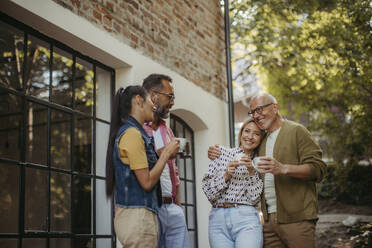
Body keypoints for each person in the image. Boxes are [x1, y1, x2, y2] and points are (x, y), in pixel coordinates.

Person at [208, 93, 327, 248]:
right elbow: (243, 153)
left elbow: (318, 169)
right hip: (268, 222)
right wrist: (214, 152)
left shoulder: (297, 131)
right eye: (252, 112)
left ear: (275, 108)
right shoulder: (260, 141)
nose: (256, 116)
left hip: (297, 219)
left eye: (259, 110)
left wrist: (283, 168)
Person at [105, 85, 179, 248]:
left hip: (138, 217)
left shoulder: (134, 133)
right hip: (138, 219)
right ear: (138, 100)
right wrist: (166, 154)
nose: (153, 105)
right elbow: (146, 182)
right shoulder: (132, 134)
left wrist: (161, 154)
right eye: (149, 100)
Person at [142, 74, 190, 248]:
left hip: (172, 208)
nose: (172, 102)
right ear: (153, 95)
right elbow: (136, 163)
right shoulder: (136, 128)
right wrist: (163, 152)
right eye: (169, 96)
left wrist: (179, 206)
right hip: (149, 208)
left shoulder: (166, 129)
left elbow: (174, 173)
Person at [202, 117, 264, 248]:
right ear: (241, 133)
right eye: (247, 131)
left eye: (256, 134)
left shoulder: (259, 163)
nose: (250, 136)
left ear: (261, 139)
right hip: (218, 220)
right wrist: (226, 175)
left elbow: (254, 199)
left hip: (246, 218)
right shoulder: (221, 153)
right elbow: (209, 192)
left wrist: (251, 171)